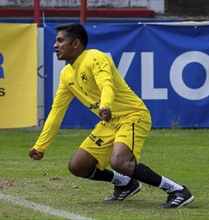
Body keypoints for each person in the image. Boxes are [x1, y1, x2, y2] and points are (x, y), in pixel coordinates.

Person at [28, 23, 194, 208]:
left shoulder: (95, 57)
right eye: (56, 41)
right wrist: (41, 146)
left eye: (60, 40)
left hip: (132, 116)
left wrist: (105, 105)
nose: (55, 45)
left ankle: (177, 190)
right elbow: (57, 110)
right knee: (78, 166)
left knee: (119, 161)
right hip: (109, 123)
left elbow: (107, 84)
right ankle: (126, 184)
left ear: (76, 43)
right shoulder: (66, 74)